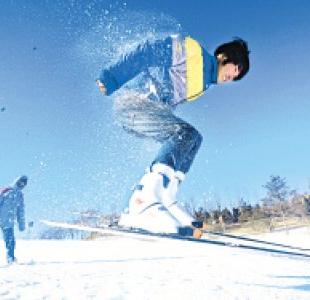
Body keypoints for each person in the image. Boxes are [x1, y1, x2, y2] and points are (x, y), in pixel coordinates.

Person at [96, 35, 250, 237]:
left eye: (238, 76)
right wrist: (112, 76)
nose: (234, 76)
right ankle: (142, 202)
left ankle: (167, 200)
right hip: (134, 105)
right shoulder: (193, 52)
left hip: (146, 111)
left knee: (194, 138)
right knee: (184, 133)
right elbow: (148, 50)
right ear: (223, 56)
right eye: (236, 68)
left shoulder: (202, 83)